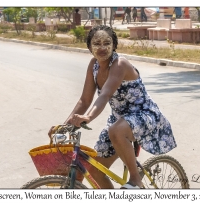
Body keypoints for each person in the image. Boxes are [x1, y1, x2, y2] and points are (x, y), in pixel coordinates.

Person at [48, 25, 177, 189]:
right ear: (89, 47)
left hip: (144, 115)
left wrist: (88, 117)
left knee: (115, 130)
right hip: (119, 120)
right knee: (94, 169)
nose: (102, 48)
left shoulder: (120, 64)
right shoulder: (93, 65)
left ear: (114, 45)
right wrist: (64, 126)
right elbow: (85, 100)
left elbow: (105, 95)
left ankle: (136, 180)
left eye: (106, 43)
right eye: (96, 43)